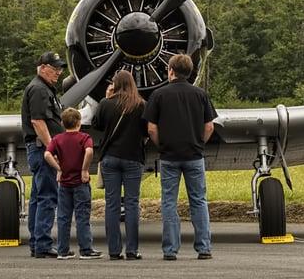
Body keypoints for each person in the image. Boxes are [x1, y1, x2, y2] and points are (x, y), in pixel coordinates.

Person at [142, 54, 217, 261]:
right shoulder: (200, 94)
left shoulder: (158, 95)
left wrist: (162, 145)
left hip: (169, 157)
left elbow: (151, 128)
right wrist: (199, 144)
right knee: (199, 201)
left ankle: (170, 250)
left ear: (170, 71)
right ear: (190, 71)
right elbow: (209, 126)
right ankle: (204, 248)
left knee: (168, 202)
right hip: (194, 156)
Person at [92, 70, 146, 261]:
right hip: (132, 157)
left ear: (114, 84)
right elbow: (146, 130)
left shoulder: (106, 104)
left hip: (110, 158)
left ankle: (114, 250)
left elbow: (96, 124)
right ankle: (132, 250)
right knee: (132, 203)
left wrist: (106, 98)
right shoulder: (140, 105)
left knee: (112, 204)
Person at [21, 51, 66, 258]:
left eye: (60, 68)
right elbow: (38, 122)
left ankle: (36, 243)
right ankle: (43, 245)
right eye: (55, 68)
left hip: (39, 149)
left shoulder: (43, 88)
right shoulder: (39, 90)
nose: (59, 72)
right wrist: (52, 150)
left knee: (38, 198)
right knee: (47, 197)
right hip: (42, 149)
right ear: (43, 67)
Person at [44, 108, 103, 260]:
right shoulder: (84, 137)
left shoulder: (57, 139)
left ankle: (63, 250)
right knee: (82, 216)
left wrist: (58, 168)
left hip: (64, 184)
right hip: (80, 182)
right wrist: (84, 169)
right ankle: (85, 249)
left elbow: (47, 154)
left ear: (63, 123)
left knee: (63, 217)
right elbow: (89, 152)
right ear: (79, 122)